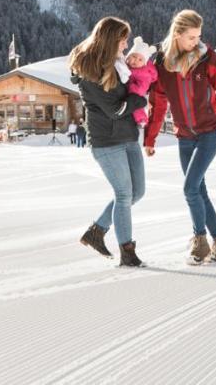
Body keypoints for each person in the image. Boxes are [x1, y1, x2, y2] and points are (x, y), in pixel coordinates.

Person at [146, 9, 216, 265]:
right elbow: (158, 102)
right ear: (177, 35)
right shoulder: (162, 64)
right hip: (184, 136)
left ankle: (200, 242)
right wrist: (150, 138)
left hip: (210, 132)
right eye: (191, 37)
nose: (196, 42)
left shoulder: (208, 59)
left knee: (190, 188)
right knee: (199, 191)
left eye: (198, 37)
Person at [72, 16, 148, 268]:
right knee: (124, 193)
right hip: (106, 141)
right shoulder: (89, 72)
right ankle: (127, 251)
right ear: (110, 40)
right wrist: (141, 101)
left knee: (137, 192)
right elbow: (115, 109)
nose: (126, 46)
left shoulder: (119, 65)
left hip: (128, 136)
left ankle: (97, 231)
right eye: (123, 40)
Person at [121, 37, 159, 128]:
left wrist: (129, 86)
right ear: (128, 56)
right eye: (134, 56)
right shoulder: (126, 66)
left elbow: (141, 90)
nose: (136, 61)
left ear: (144, 63)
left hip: (138, 94)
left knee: (137, 107)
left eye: (140, 60)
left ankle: (141, 120)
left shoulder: (144, 74)